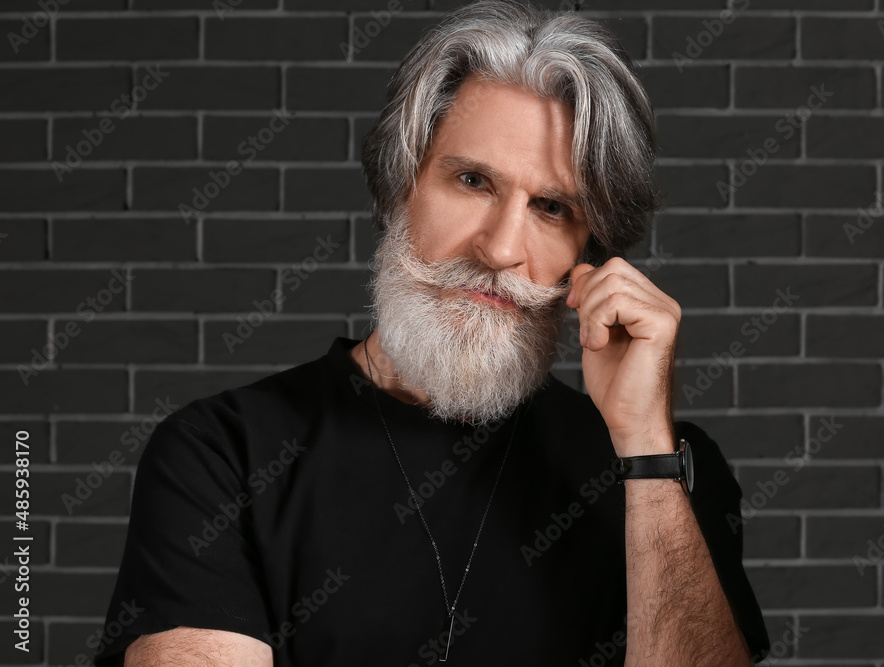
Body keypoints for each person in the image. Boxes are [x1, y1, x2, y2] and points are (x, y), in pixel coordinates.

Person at [94, 1, 771, 665]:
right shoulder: (220, 455)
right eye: (473, 180)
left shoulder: (667, 472)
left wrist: (647, 455)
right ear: (399, 184)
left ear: (588, 254)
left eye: (552, 206)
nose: (500, 248)